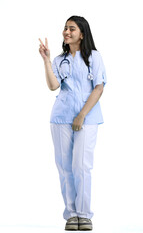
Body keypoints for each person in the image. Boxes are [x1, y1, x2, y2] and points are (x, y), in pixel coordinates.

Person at [39, 15, 107, 231]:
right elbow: (52, 86)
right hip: (60, 118)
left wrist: (81, 115)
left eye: (72, 29)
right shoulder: (60, 60)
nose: (66, 32)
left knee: (81, 166)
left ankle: (84, 214)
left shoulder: (94, 58)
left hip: (87, 119)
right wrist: (47, 60)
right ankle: (72, 215)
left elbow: (98, 88)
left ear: (82, 34)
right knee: (65, 167)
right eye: (65, 28)